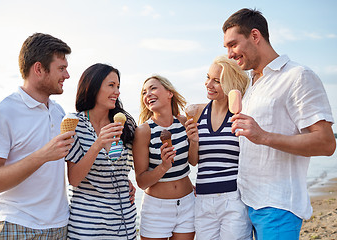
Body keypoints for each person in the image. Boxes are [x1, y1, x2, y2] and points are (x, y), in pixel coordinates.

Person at [222, 8, 336, 239]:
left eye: (233, 44)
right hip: (243, 202)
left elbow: (326, 143)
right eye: (226, 48)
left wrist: (264, 136)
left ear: (255, 36)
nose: (229, 54)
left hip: (278, 206)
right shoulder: (251, 84)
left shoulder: (298, 76)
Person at [0, 33, 73, 239]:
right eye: (61, 68)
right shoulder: (0, 114)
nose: (67, 75)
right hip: (18, 226)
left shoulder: (59, 112)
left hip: (61, 226)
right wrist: (43, 155)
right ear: (39, 69)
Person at [65, 63, 137, 239]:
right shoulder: (74, 123)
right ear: (93, 86)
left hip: (124, 225)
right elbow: (74, 179)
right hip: (87, 227)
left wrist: (123, 179)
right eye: (111, 85)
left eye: (118, 86)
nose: (117, 91)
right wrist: (98, 144)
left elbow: (116, 166)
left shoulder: (124, 123)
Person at [185, 55, 252, 239]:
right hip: (203, 199)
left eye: (217, 81)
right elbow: (194, 161)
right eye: (208, 78)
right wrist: (193, 141)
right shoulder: (197, 112)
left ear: (231, 84)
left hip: (233, 199)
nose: (209, 84)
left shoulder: (240, 113)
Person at [133, 75, 195, 240]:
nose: (148, 94)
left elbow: (193, 161)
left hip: (188, 203)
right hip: (156, 209)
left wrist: (194, 141)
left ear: (169, 93)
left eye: (153, 88)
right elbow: (141, 181)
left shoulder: (184, 122)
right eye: (144, 92)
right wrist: (163, 167)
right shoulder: (143, 132)